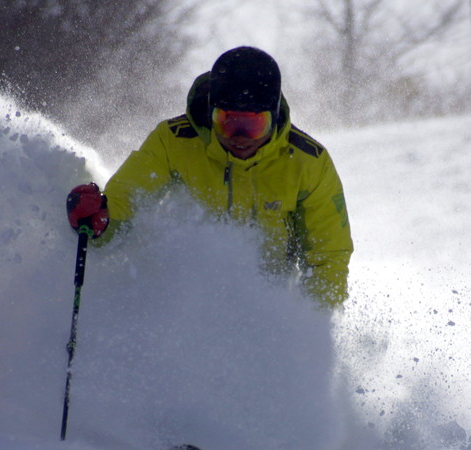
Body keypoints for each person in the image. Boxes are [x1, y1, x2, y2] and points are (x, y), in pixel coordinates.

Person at [66, 46, 353, 308]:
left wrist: (307, 327)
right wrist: (101, 219)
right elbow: (127, 199)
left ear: (274, 117)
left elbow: (328, 257)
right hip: (183, 302)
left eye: (253, 125)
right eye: (226, 122)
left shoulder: (308, 163)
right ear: (211, 113)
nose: (240, 138)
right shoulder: (174, 141)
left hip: (271, 307)